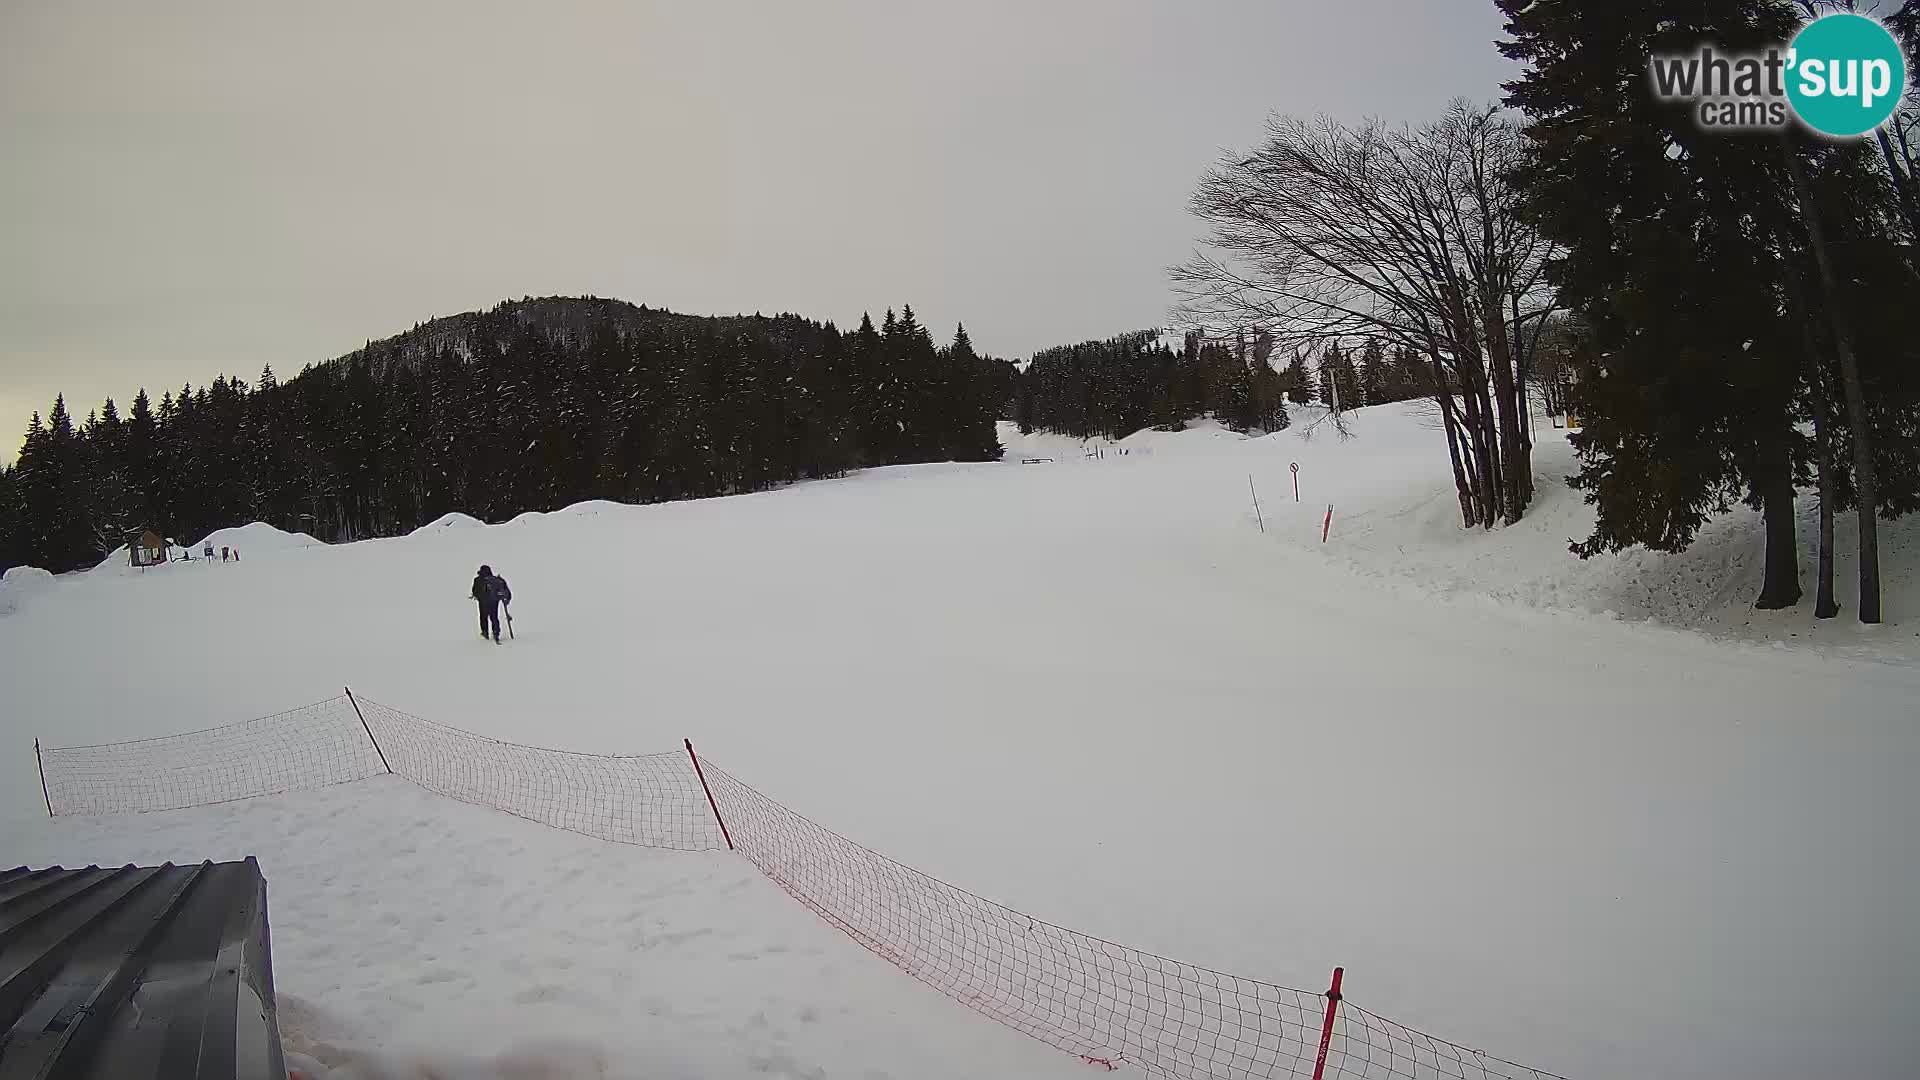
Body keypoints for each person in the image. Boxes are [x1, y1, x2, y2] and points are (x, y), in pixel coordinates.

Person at [470, 564, 512, 643]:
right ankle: (496, 632)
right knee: (494, 616)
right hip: (494, 601)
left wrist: (479, 597)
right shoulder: (496, 580)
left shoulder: (478, 580)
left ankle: (485, 632)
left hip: (483, 602)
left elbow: (475, 591)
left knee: (483, 617)